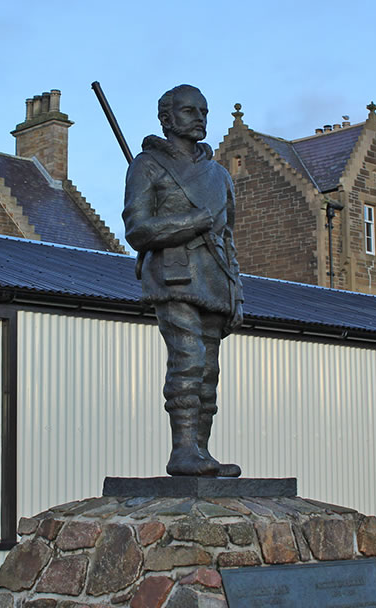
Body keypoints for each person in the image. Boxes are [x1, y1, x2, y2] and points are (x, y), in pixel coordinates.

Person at [122, 84, 244, 477]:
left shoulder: (220, 175)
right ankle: (183, 451)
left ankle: (201, 453)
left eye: (204, 111)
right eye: (190, 111)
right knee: (187, 362)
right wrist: (192, 222)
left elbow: (228, 240)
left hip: (214, 279)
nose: (200, 118)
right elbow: (138, 230)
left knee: (209, 373)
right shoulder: (147, 166)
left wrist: (237, 296)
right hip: (173, 276)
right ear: (167, 118)